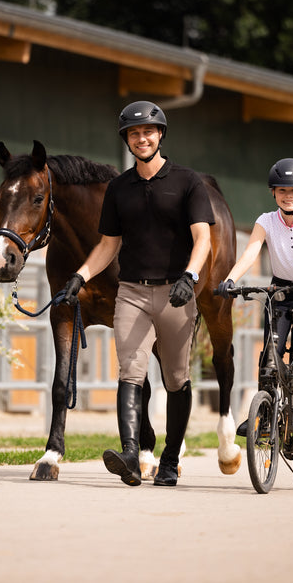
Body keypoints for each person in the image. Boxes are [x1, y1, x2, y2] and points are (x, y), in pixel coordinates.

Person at [62, 100, 214, 487]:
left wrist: (190, 276)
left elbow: (203, 238)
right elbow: (108, 244)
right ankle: (131, 455)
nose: (141, 138)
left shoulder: (187, 181)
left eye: (148, 131)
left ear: (160, 135)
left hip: (176, 294)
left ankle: (169, 460)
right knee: (130, 371)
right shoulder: (119, 189)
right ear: (127, 140)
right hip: (131, 292)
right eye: (134, 133)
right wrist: (80, 276)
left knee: (177, 378)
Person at [217, 158, 293, 431]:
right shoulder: (266, 221)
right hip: (280, 290)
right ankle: (264, 415)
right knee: (271, 350)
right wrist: (230, 280)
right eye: (282, 190)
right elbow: (251, 251)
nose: (288, 196)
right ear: (273, 192)